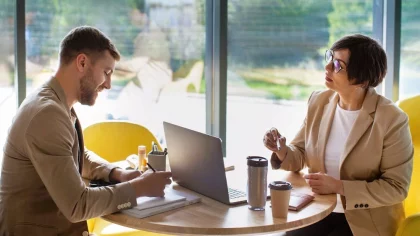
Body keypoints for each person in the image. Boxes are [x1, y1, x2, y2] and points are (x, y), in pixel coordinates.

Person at [0, 26, 172, 236]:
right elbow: (77, 205)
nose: (108, 84)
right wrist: (140, 188)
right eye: (106, 72)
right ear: (82, 62)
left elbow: (73, 156)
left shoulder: (54, 102)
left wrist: (117, 173)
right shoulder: (47, 115)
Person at [263, 34, 413, 236]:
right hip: (318, 210)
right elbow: (299, 154)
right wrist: (281, 150)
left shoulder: (392, 119)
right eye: (330, 58)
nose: (327, 68)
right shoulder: (319, 101)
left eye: (337, 65)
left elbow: (396, 188)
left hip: (363, 222)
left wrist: (339, 187)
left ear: (362, 79)